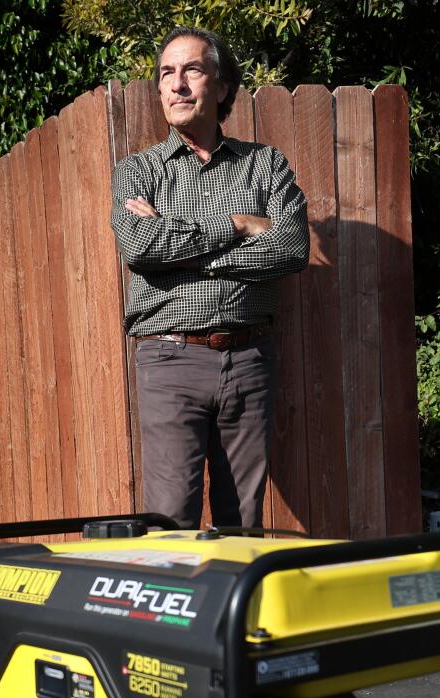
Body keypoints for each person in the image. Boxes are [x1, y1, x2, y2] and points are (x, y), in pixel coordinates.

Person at [110, 27, 310, 529]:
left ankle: (233, 611)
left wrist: (187, 256)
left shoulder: (264, 166)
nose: (176, 85)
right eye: (166, 74)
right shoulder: (138, 172)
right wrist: (238, 226)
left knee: (240, 523)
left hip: (249, 359)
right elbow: (140, 246)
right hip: (170, 358)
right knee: (170, 517)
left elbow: (291, 248)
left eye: (192, 70)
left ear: (221, 88)